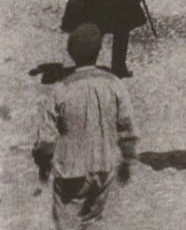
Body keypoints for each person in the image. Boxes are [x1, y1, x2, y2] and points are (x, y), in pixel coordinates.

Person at [33, 23, 138, 230]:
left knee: (67, 222)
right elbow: (126, 126)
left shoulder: (61, 89)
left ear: (71, 54)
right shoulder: (114, 84)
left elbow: (46, 137)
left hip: (71, 169)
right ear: (99, 51)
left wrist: (43, 163)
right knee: (92, 220)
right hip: (104, 165)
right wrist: (126, 159)